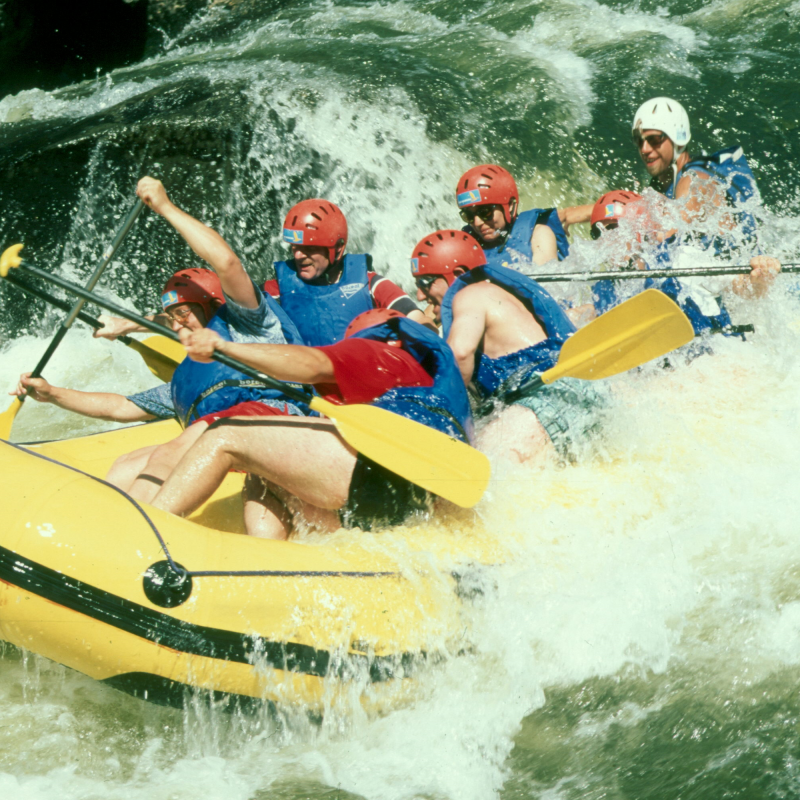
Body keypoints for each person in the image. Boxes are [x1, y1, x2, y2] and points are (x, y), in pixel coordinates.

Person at [14, 177, 306, 503]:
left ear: (211, 305)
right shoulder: (188, 378)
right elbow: (120, 406)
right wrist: (52, 393)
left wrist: (165, 207)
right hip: (230, 442)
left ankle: (148, 533)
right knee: (125, 466)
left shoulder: (250, 323)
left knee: (168, 454)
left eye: (185, 314)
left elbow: (227, 263)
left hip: (281, 427)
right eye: (172, 319)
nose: (178, 326)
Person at [149, 308, 474, 538]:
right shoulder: (430, 380)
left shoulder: (377, 349)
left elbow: (314, 364)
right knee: (265, 472)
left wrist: (225, 347)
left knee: (225, 436)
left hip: (376, 476)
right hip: (412, 500)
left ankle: (149, 529)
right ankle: (270, 563)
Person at [411, 229, 603, 466]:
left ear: (458, 274)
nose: (419, 295)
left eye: (426, 282)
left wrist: (437, 419)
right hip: (579, 398)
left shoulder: (470, 295)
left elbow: (459, 355)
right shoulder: (504, 295)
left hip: (542, 403)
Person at [587, 190, 782, 334]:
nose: (605, 238)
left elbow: (741, 287)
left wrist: (760, 278)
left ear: (641, 228)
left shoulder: (682, 258)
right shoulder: (607, 287)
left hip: (711, 354)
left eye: (613, 228)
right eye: (597, 232)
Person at [264, 198, 433, 345]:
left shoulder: (371, 283)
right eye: (295, 247)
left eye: (309, 248)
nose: (299, 256)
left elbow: (417, 319)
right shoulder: (276, 289)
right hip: (301, 379)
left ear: (337, 249)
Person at [455, 164, 569, 272]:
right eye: (469, 216)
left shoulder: (539, 234)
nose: (477, 223)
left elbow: (548, 288)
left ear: (509, 206)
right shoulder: (465, 246)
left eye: (485, 212)